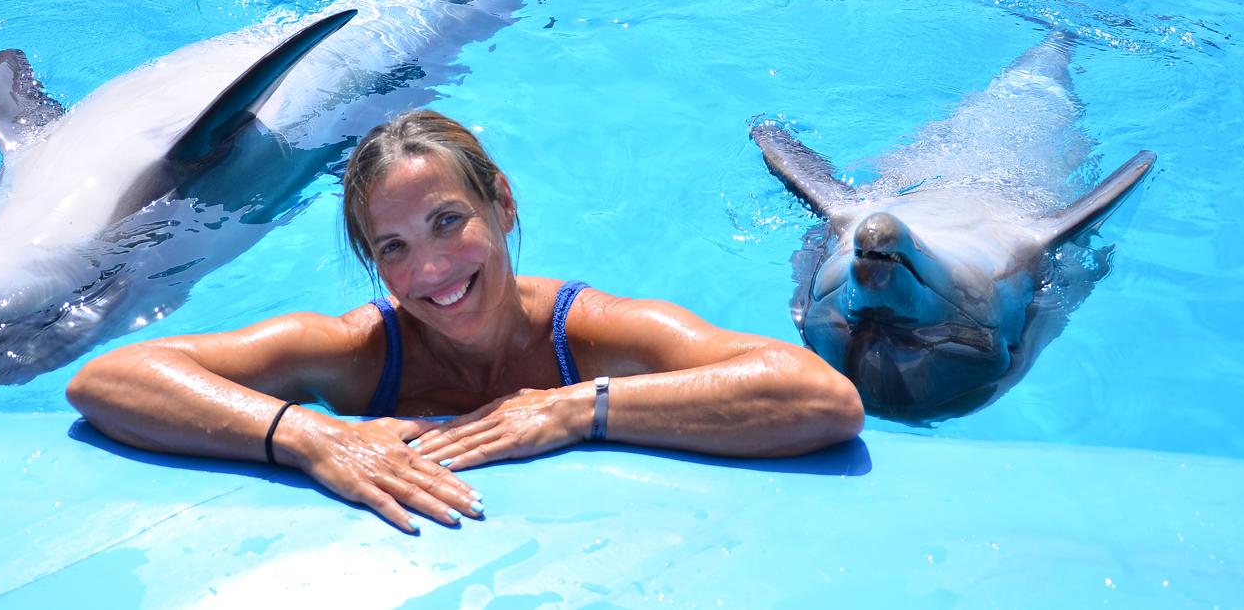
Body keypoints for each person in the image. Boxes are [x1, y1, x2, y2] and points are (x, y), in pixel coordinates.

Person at [67, 110, 864, 533]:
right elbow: (106, 378)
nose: (431, 271)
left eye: (450, 221)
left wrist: (573, 408)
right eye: (395, 247)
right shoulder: (360, 352)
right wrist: (310, 437)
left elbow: (821, 397)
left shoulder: (589, 335)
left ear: (503, 203)